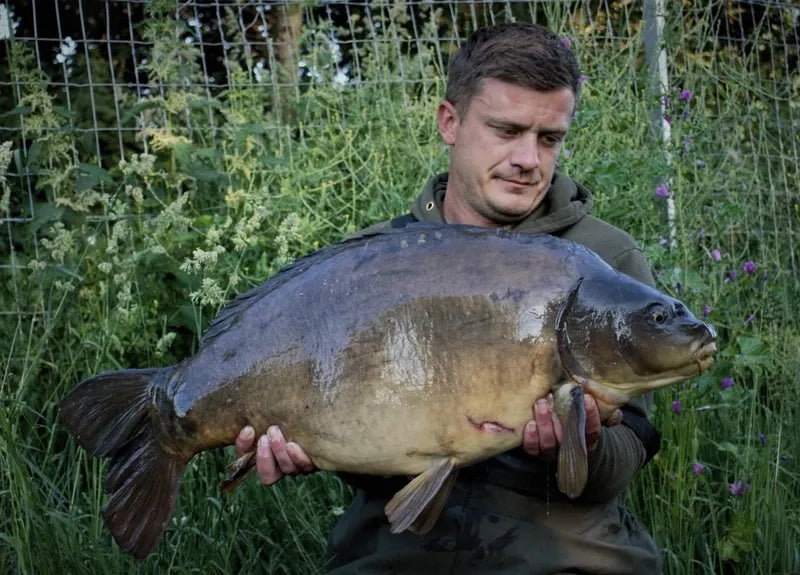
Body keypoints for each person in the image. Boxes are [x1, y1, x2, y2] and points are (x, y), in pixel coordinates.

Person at [235, 22, 663, 574]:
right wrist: (312, 442)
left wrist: (585, 446)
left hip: (565, 552)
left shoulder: (603, 259)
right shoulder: (369, 262)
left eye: (549, 138)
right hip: (395, 548)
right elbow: (362, 441)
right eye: (506, 131)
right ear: (450, 122)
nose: (529, 159)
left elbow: (631, 451)